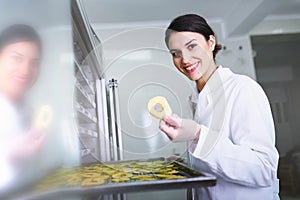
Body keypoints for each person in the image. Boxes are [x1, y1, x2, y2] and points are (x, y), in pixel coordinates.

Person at [160, 14, 279, 200]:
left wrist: (199, 134)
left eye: (192, 46)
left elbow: (263, 170)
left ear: (210, 42)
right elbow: (215, 164)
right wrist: (185, 166)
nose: (184, 59)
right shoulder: (194, 99)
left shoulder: (243, 89)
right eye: (176, 53)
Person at [0, 24, 45, 191]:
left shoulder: (27, 110)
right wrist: (10, 153)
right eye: (16, 58)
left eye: (34, 62)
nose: (26, 70)